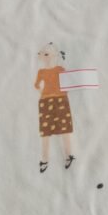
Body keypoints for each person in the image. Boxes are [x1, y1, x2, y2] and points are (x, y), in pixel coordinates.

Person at [34, 42, 75, 172]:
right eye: (42, 54)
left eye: (46, 54)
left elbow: (68, 83)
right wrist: (43, 91)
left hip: (60, 100)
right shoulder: (41, 72)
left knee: (64, 129)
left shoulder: (60, 69)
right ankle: (45, 159)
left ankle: (68, 156)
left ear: (54, 56)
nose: (43, 56)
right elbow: (36, 85)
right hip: (46, 101)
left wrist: (61, 92)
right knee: (46, 131)